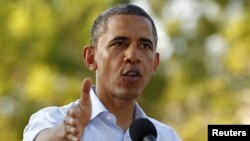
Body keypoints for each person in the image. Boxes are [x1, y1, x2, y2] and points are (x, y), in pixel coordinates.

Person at [23, 4, 182, 141]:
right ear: (91, 58)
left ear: (155, 63)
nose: (133, 56)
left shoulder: (166, 136)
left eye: (145, 46)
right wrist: (65, 133)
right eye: (119, 43)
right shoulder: (53, 120)